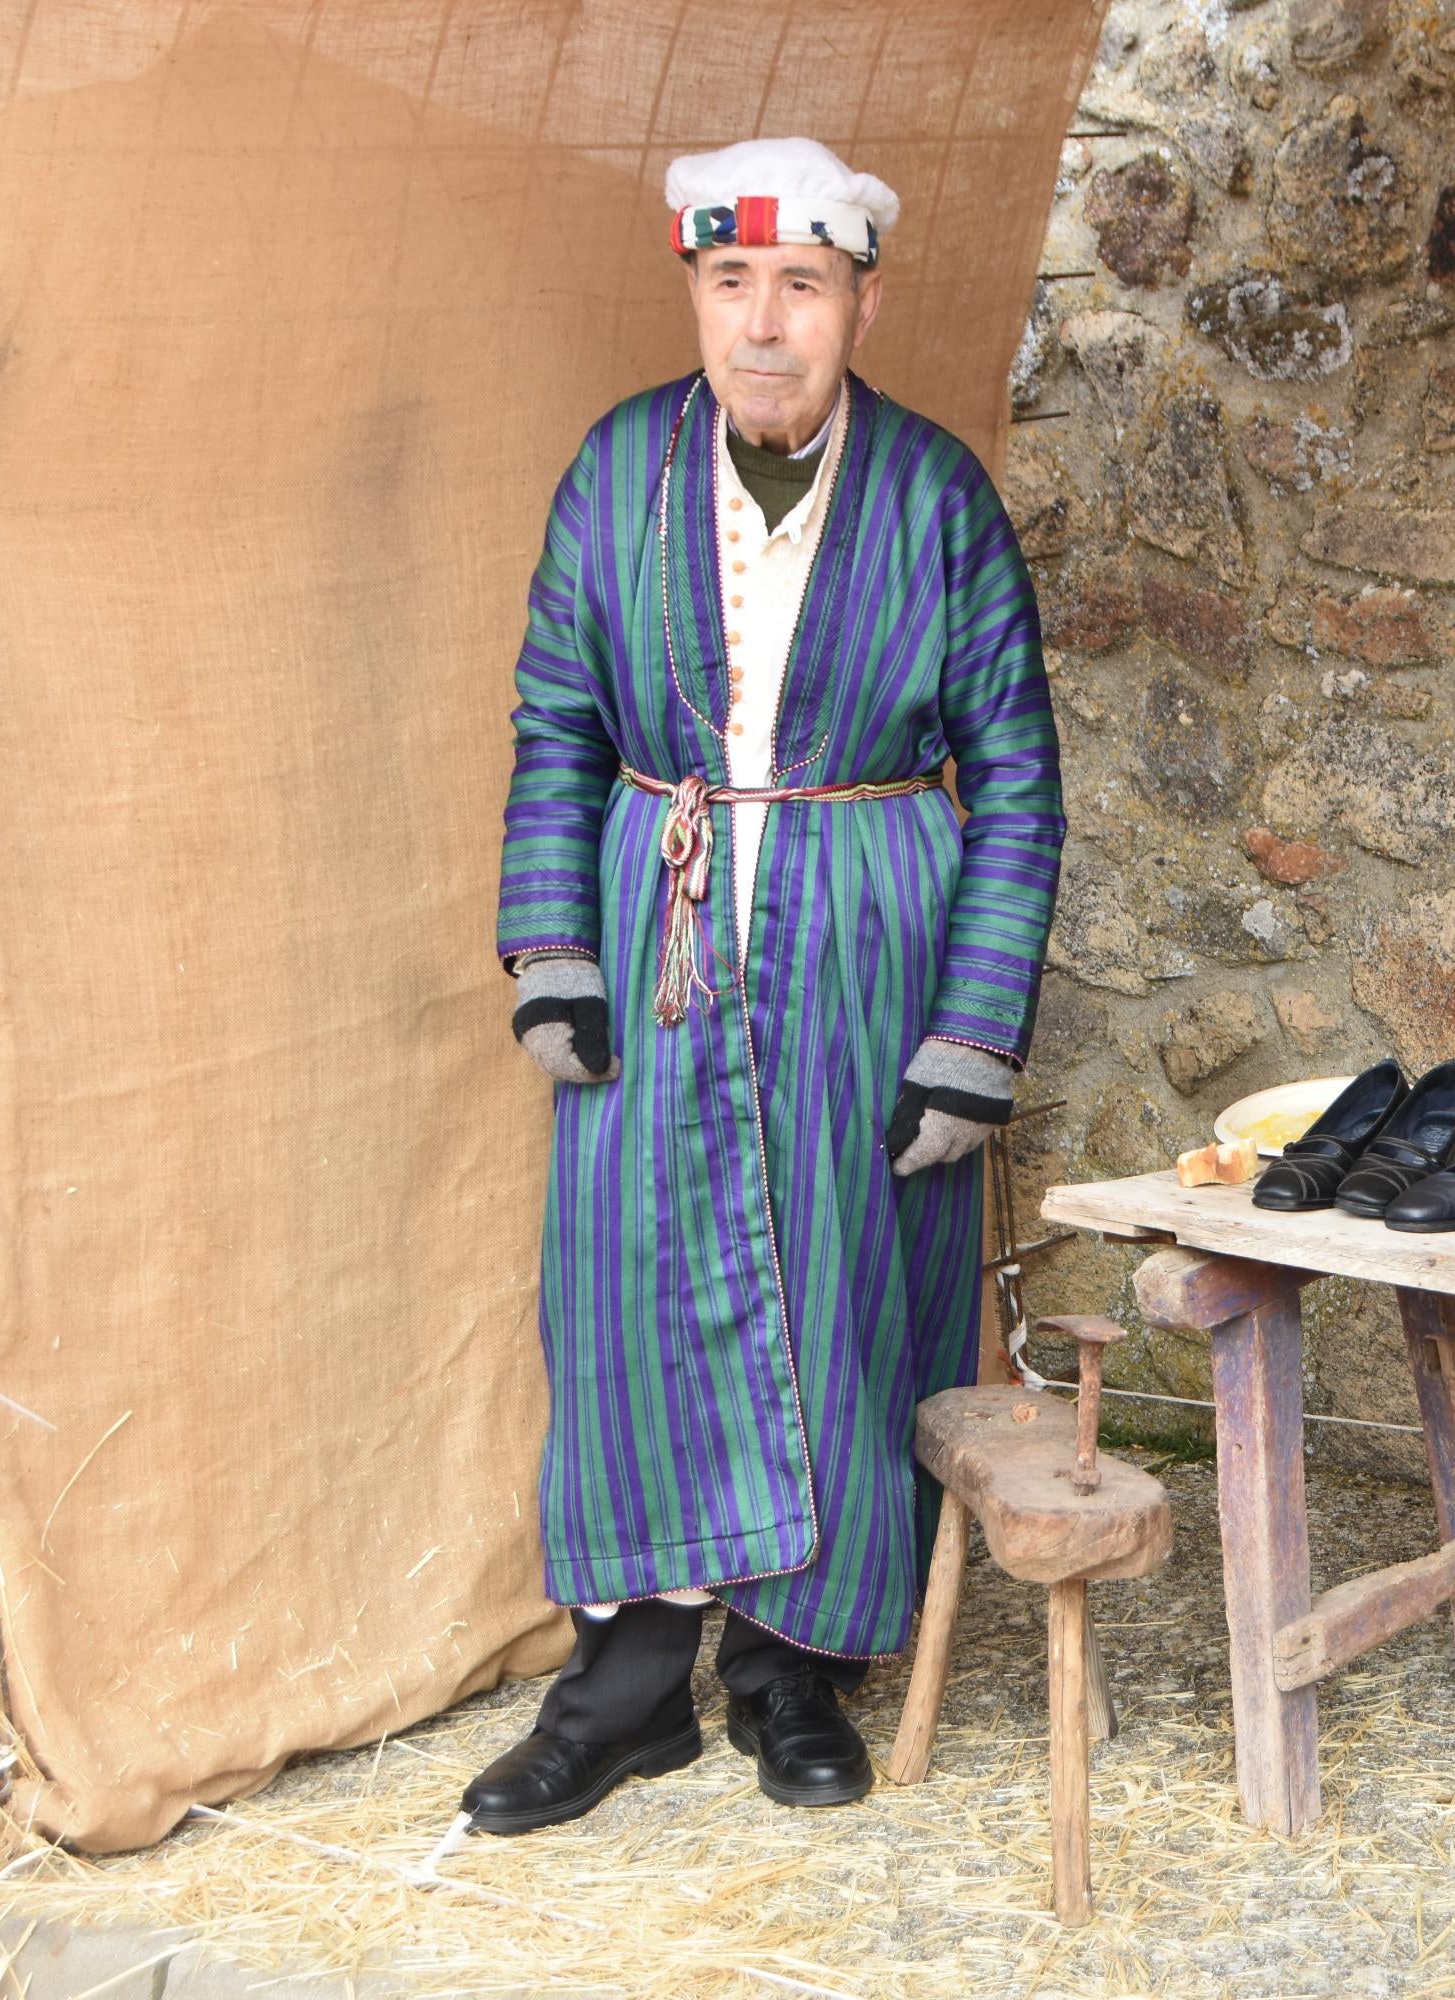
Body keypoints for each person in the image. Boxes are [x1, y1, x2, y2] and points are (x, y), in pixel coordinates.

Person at [463, 136, 1064, 1834]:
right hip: (655, 932)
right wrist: (551, 951)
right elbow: (558, 723)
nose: (765, 322)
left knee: (841, 1277)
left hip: (866, 936)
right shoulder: (615, 473)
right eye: (733, 285)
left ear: (861, 300)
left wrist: (969, 1038)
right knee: (633, 1286)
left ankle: (797, 1667)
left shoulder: (939, 497)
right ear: (698, 295)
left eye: (802, 285)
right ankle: (635, 1681)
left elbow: (1016, 780)